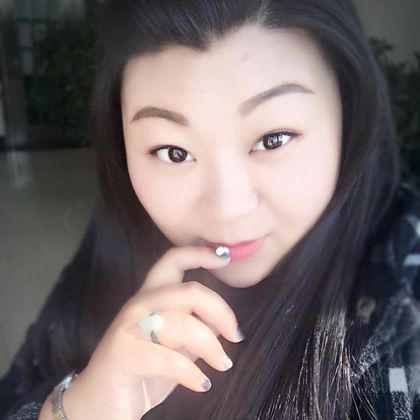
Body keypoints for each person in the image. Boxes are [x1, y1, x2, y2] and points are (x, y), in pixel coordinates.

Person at [1, 0, 419, 418]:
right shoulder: (117, 241)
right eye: (173, 152)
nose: (227, 209)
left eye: (273, 138)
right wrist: (81, 407)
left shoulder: (403, 291)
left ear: (348, 111)